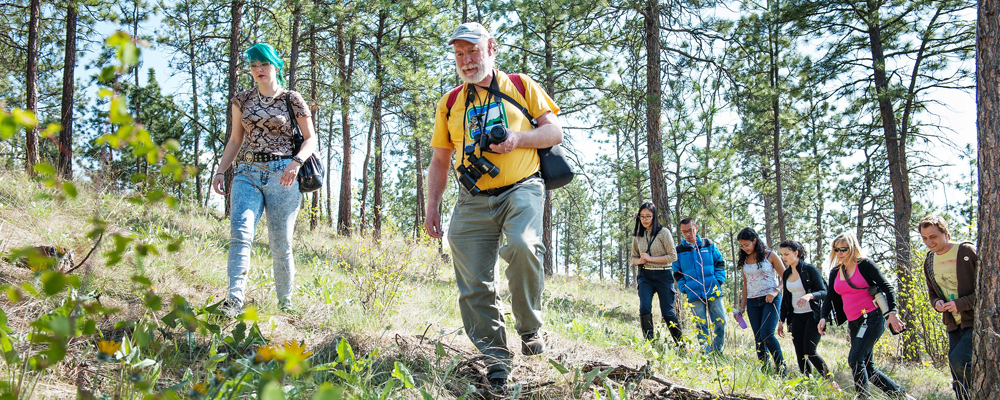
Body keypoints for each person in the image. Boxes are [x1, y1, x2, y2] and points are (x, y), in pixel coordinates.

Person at [423, 22, 563, 394]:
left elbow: (553, 132)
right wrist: (432, 205)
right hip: (472, 197)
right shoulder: (451, 102)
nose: (467, 61)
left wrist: (517, 138)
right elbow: (439, 160)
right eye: (459, 54)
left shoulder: (520, 85)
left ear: (491, 48)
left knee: (522, 244)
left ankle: (530, 327)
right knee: (473, 284)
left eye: (473, 51)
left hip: (522, 187)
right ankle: (496, 361)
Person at [211, 43, 318, 315]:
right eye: (253, 65)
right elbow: (236, 140)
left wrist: (296, 163)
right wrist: (221, 170)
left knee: (280, 243)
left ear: (276, 66)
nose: (258, 69)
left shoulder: (291, 99)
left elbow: (310, 139)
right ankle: (234, 300)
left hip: (282, 174)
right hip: (247, 173)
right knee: (240, 233)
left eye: (264, 64)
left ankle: (285, 304)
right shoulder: (241, 100)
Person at [818, 232, 915, 400]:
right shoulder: (835, 272)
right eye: (836, 249)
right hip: (854, 321)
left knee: (855, 359)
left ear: (853, 248)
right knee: (868, 368)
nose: (840, 253)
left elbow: (888, 287)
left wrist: (892, 313)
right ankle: (901, 396)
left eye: (843, 249)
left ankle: (863, 396)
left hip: (872, 317)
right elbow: (830, 297)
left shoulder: (865, 265)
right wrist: (823, 317)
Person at [919, 215, 977, 400]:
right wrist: (937, 303)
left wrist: (961, 304)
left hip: (976, 320)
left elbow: (990, 288)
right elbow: (932, 294)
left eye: (933, 236)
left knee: (959, 360)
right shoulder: (929, 261)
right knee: (955, 370)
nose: (929, 242)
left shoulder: (966, 251)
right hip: (954, 323)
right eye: (924, 238)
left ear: (945, 233)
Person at [776, 240, 834, 384]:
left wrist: (810, 295)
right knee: (800, 352)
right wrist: (781, 320)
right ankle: (807, 382)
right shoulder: (787, 273)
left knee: (810, 350)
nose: (784, 258)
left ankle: (831, 381)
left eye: (787, 254)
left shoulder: (809, 270)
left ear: (796, 253)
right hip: (796, 317)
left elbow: (824, 292)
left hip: (812, 316)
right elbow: (786, 300)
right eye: (782, 254)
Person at [672, 217, 727, 353]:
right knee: (701, 325)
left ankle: (717, 351)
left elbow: (719, 262)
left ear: (696, 229)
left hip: (713, 291)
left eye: (690, 231)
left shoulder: (709, 244)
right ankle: (706, 353)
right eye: (684, 232)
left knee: (721, 322)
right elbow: (676, 271)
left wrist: (718, 280)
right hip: (694, 293)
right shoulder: (678, 250)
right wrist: (684, 287)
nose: (688, 235)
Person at [735, 227, 785, 372]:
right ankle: (765, 368)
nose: (744, 248)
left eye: (747, 245)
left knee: (767, 333)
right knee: (758, 338)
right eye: (741, 246)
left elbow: (785, 277)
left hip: (770, 299)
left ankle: (781, 368)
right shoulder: (744, 259)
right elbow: (746, 284)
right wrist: (742, 307)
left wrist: (775, 291)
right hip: (752, 302)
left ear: (755, 240)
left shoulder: (770, 255)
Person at [630, 202, 680, 343]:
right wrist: (639, 261)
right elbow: (633, 257)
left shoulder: (664, 233)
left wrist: (651, 258)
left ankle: (680, 344)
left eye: (648, 216)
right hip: (646, 276)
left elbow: (673, 256)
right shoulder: (638, 236)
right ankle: (649, 343)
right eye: (642, 216)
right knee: (644, 307)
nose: (645, 219)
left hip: (663, 275)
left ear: (654, 216)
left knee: (667, 312)